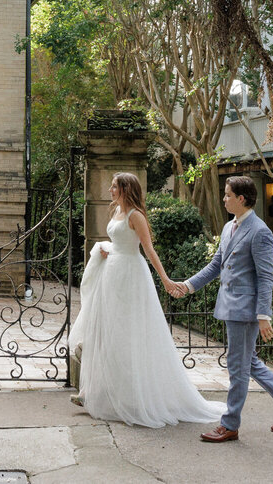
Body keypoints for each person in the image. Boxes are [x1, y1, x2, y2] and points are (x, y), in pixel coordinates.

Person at [70, 172, 226, 428]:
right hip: (112, 276)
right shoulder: (117, 212)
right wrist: (104, 249)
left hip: (131, 277)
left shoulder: (136, 216)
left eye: (114, 186)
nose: (110, 190)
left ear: (125, 189)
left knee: (126, 335)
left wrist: (165, 280)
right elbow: (117, 242)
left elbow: (148, 249)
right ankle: (94, 393)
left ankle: (123, 397)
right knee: (106, 333)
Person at [168, 175, 273, 443]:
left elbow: (266, 277)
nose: (224, 199)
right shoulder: (231, 226)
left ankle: (229, 425)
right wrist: (187, 286)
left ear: (241, 199)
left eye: (228, 195)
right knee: (248, 362)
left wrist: (263, 316)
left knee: (238, 368)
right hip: (231, 306)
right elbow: (216, 265)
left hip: (245, 310)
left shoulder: (260, 231)